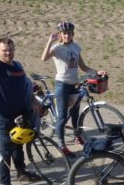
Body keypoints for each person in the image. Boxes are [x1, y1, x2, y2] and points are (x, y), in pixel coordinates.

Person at [0, 20, 43, 185]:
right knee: (5, 151)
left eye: (10, 49)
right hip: (4, 117)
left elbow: (26, 85)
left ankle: (22, 172)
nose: (8, 53)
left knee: (18, 146)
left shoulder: (18, 66)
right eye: (4, 50)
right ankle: (5, 184)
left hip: (21, 115)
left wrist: (34, 101)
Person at [40, 20, 102, 158]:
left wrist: (97, 72)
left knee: (75, 113)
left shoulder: (76, 47)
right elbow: (44, 58)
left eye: (69, 33)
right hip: (62, 85)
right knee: (62, 117)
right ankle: (62, 145)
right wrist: (50, 42)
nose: (67, 35)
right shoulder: (56, 48)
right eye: (64, 33)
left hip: (74, 85)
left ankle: (77, 136)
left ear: (72, 34)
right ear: (61, 34)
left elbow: (83, 67)